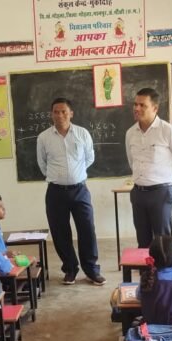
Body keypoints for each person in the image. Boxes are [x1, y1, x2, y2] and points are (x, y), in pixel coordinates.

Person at [37, 97, 105, 286]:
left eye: (63, 111)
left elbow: (90, 157)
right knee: (60, 232)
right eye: (56, 112)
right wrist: (58, 177)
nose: (60, 115)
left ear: (71, 113)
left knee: (87, 229)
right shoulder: (43, 137)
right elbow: (42, 163)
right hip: (55, 192)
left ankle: (91, 270)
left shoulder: (82, 134)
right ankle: (70, 269)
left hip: (80, 189)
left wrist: (76, 174)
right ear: (51, 114)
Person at [126, 87, 172, 249]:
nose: (137, 108)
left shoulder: (168, 131)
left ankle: (164, 267)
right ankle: (146, 266)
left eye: (142, 105)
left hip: (161, 194)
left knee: (163, 242)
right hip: (138, 193)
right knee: (142, 241)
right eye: (135, 104)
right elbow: (131, 161)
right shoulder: (130, 133)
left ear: (155, 108)